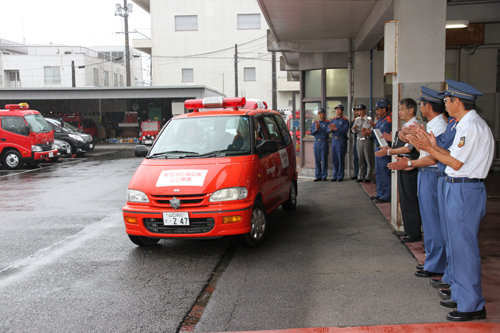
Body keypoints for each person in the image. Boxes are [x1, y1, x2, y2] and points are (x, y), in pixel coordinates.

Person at [408, 79, 494, 322]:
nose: (444, 103)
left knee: (464, 249)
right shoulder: (464, 125)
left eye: (447, 100)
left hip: (465, 189)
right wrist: (432, 145)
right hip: (458, 187)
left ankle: (472, 304)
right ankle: (460, 293)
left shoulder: (471, 127)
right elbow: (450, 156)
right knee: (455, 247)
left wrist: (429, 147)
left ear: (457, 101)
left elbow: (455, 163)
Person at [376, 98, 423, 239]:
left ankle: (414, 232)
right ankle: (409, 229)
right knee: (404, 199)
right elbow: (400, 146)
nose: (399, 112)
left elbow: (409, 149)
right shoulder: (406, 125)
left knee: (410, 199)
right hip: (403, 164)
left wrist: (389, 152)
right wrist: (390, 148)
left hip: (410, 166)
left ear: (411, 110)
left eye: (402, 109)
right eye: (399, 109)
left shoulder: (414, 126)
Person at [362, 100, 392, 202]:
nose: (377, 111)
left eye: (379, 109)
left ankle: (386, 195)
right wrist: (369, 133)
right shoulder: (380, 120)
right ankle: (380, 193)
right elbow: (377, 135)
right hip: (378, 147)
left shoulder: (388, 120)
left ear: (385, 109)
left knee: (385, 173)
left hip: (385, 149)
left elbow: (385, 137)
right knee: (379, 173)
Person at [351, 104, 373, 183]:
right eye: (358, 110)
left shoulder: (369, 119)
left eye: (361, 110)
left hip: (367, 139)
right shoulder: (357, 119)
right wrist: (354, 129)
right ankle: (360, 176)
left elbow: (371, 129)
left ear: (364, 110)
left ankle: (368, 176)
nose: (359, 112)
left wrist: (366, 131)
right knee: (360, 159)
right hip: (359, 139)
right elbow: (353, 131)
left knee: (368, 158)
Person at [328, 105, 349, 182]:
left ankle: (340, 176)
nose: (337, 111)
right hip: (334, 140)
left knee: (340, 158)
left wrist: (337, 128)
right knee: (334, 159)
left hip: (341, 140)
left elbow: (345, 130)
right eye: (336, 109)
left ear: (342, 111)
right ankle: (335, 175)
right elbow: (328, 128)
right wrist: (330, 129)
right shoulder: (333, 120)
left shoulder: (344, 120)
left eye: (339, 109)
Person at [310, 108, 330, 181]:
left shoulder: (327, 122)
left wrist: (320, 128)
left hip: (323, 141)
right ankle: (318, 175)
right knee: (317, 159)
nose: (320, 115)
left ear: (324, 114)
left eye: (321, 113)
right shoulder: (315, 122)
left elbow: (328, 132)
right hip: (316, 142)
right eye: (319, 114)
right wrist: (316, 129)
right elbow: (312, 133)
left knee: (324, 159)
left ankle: (324, 176)